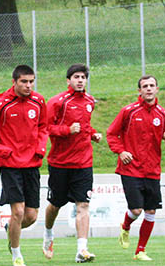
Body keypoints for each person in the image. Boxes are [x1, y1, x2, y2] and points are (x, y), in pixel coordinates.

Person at [0, 65, 47, 266]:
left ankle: (11, 228)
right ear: (14, 82)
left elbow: (44, 127)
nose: (28, 86)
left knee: (31, 216)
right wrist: (3, 151)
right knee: (18, 211)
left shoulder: (39, 101)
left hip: (32, 163)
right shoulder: (1, 105)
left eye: (31, 81)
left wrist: (40, 148)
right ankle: (17, 255)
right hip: (10, 165)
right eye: (24, 82)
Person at [107, 75, 165, 261]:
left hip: (152, 170)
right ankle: (126, 226)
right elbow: (111, 134)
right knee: (137, 210)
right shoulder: (128, 111)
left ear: (157, 89)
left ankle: (140, 251)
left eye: (151, 85)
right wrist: (121, 151)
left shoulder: (163, 115)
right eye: (144, 86)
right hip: (130, 168)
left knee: (151, 212)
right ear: (139, 90)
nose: (148, 89)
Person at [42, 64, 100, 262]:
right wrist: (66, 130)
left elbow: (85, 126)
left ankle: (82, 250)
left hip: (84, 162)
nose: (80, 80)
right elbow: (46, 128)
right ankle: (48, 233)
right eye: (76, 77)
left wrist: (93, 134)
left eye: (83, 77)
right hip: (60, 163)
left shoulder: (90, 101)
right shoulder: (58, 102)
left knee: (83, 204)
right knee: (55, 205)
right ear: (68, 80)